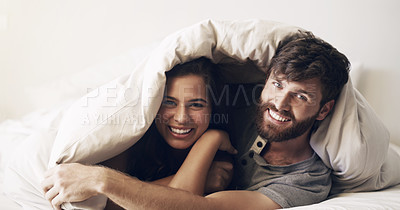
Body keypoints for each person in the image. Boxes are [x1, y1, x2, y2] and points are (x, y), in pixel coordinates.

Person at [41, 31, 350, 209]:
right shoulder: (247, 106)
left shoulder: (306, 181)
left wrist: (101, 180)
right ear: (265, 81)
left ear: (323, 110)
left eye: (301, 96)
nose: (279, 105)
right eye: (278, 85)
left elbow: (199, 208)